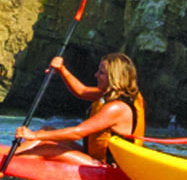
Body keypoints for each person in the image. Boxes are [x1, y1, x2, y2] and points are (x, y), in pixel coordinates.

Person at [10, 52, 146, 164]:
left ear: (114, 78)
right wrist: (62, 70)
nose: (96, 75)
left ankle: (10, 163)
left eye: (101, 73)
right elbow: (81, 91)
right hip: (92, 155)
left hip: (107, 167)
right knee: (48, 132)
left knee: (47, 148)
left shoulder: (117, 107)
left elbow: (77, 132)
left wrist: (34, 135)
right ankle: (8, 154)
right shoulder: (113, 94)